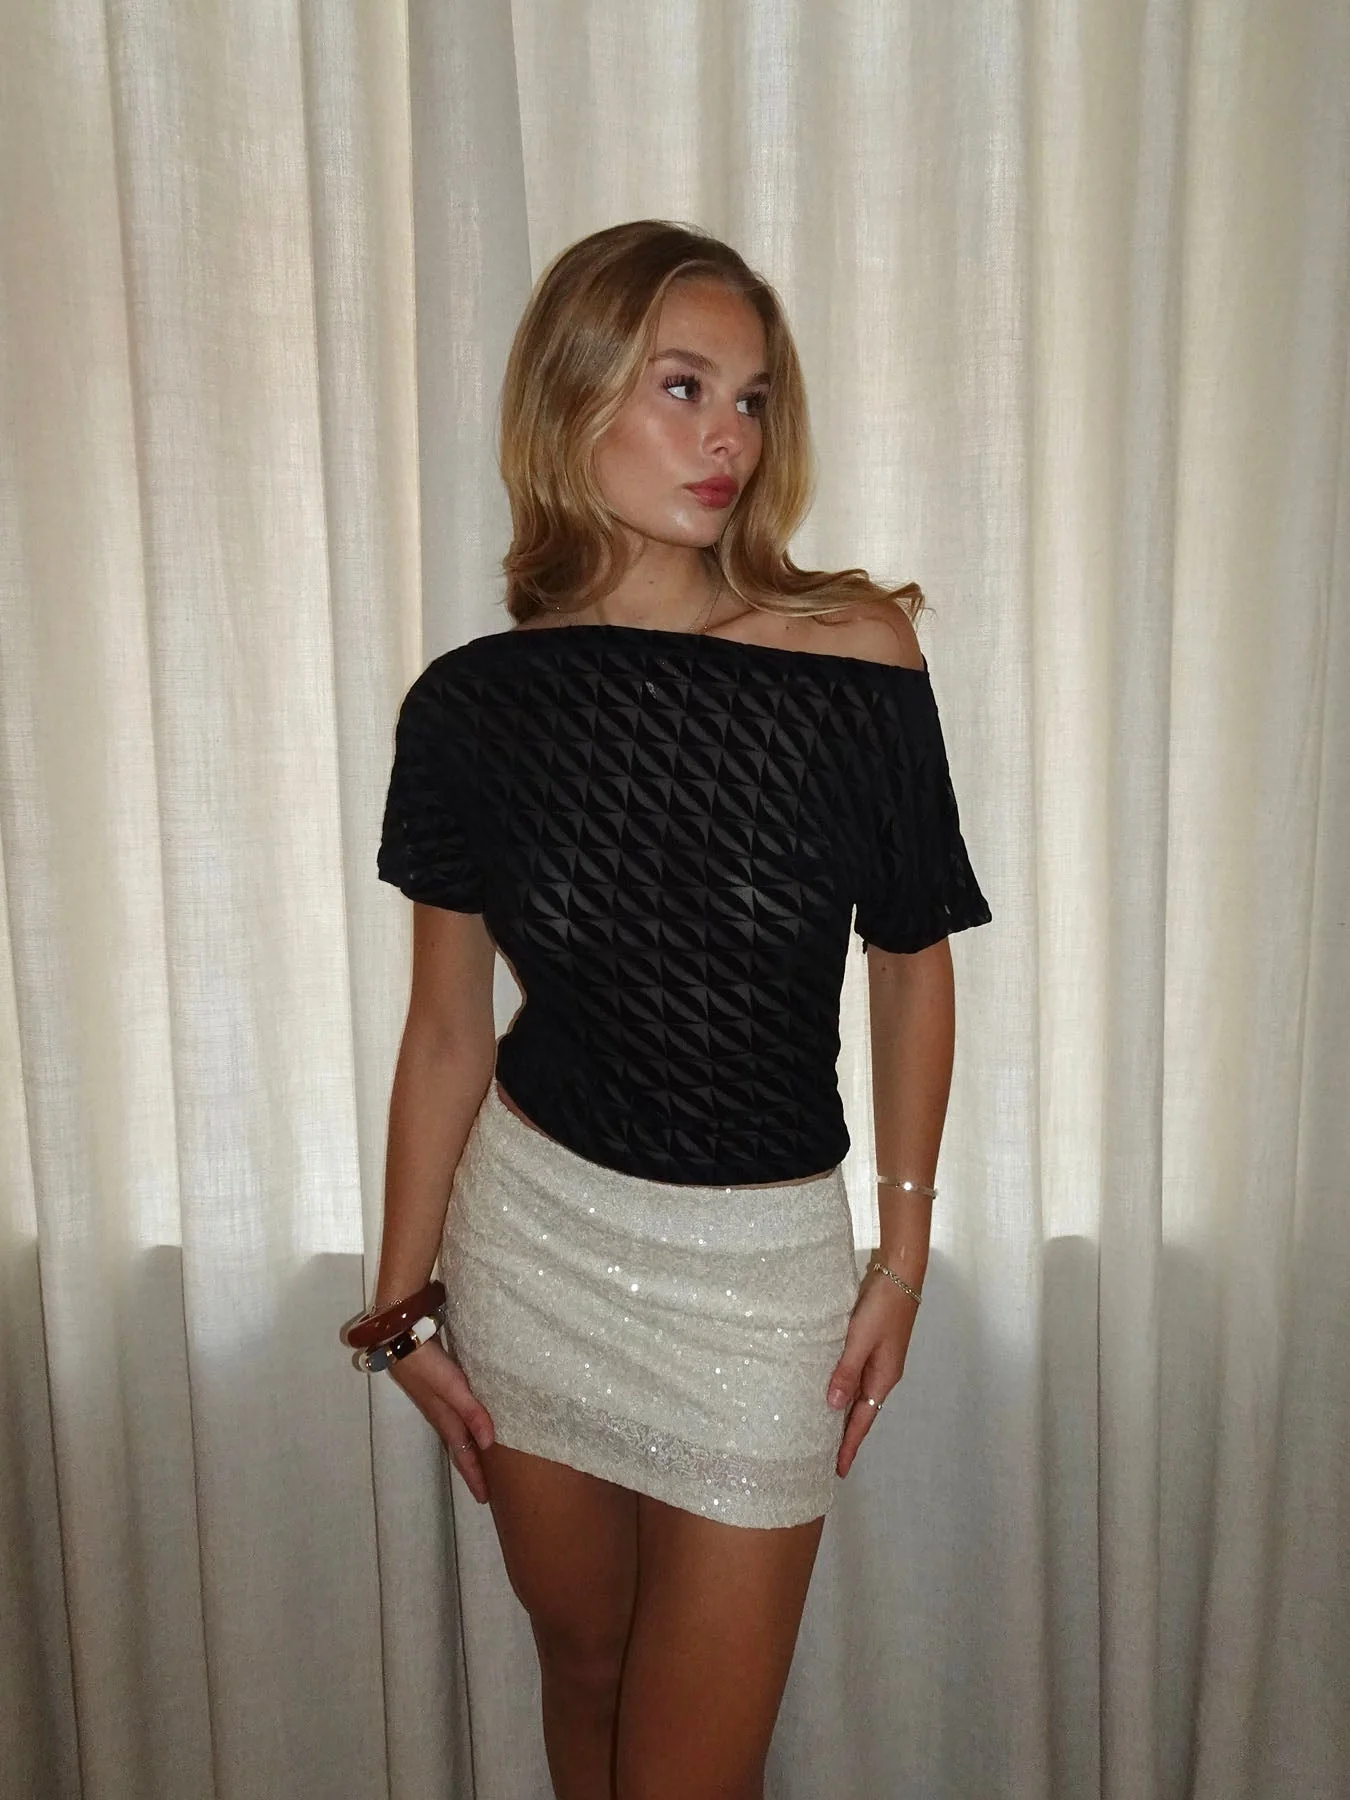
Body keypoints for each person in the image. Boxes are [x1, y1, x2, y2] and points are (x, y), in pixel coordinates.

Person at [355, 220, 992, 1800]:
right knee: (582, 1669)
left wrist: (900, 1252)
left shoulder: (852, 654)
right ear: (570, 398)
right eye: (683, 386)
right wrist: (400, 1302)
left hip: (761, 1281)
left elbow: (909, 957)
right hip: (536, 1242)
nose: (729, 439)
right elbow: (446, 1030)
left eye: (752, 399)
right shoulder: (471, 707)